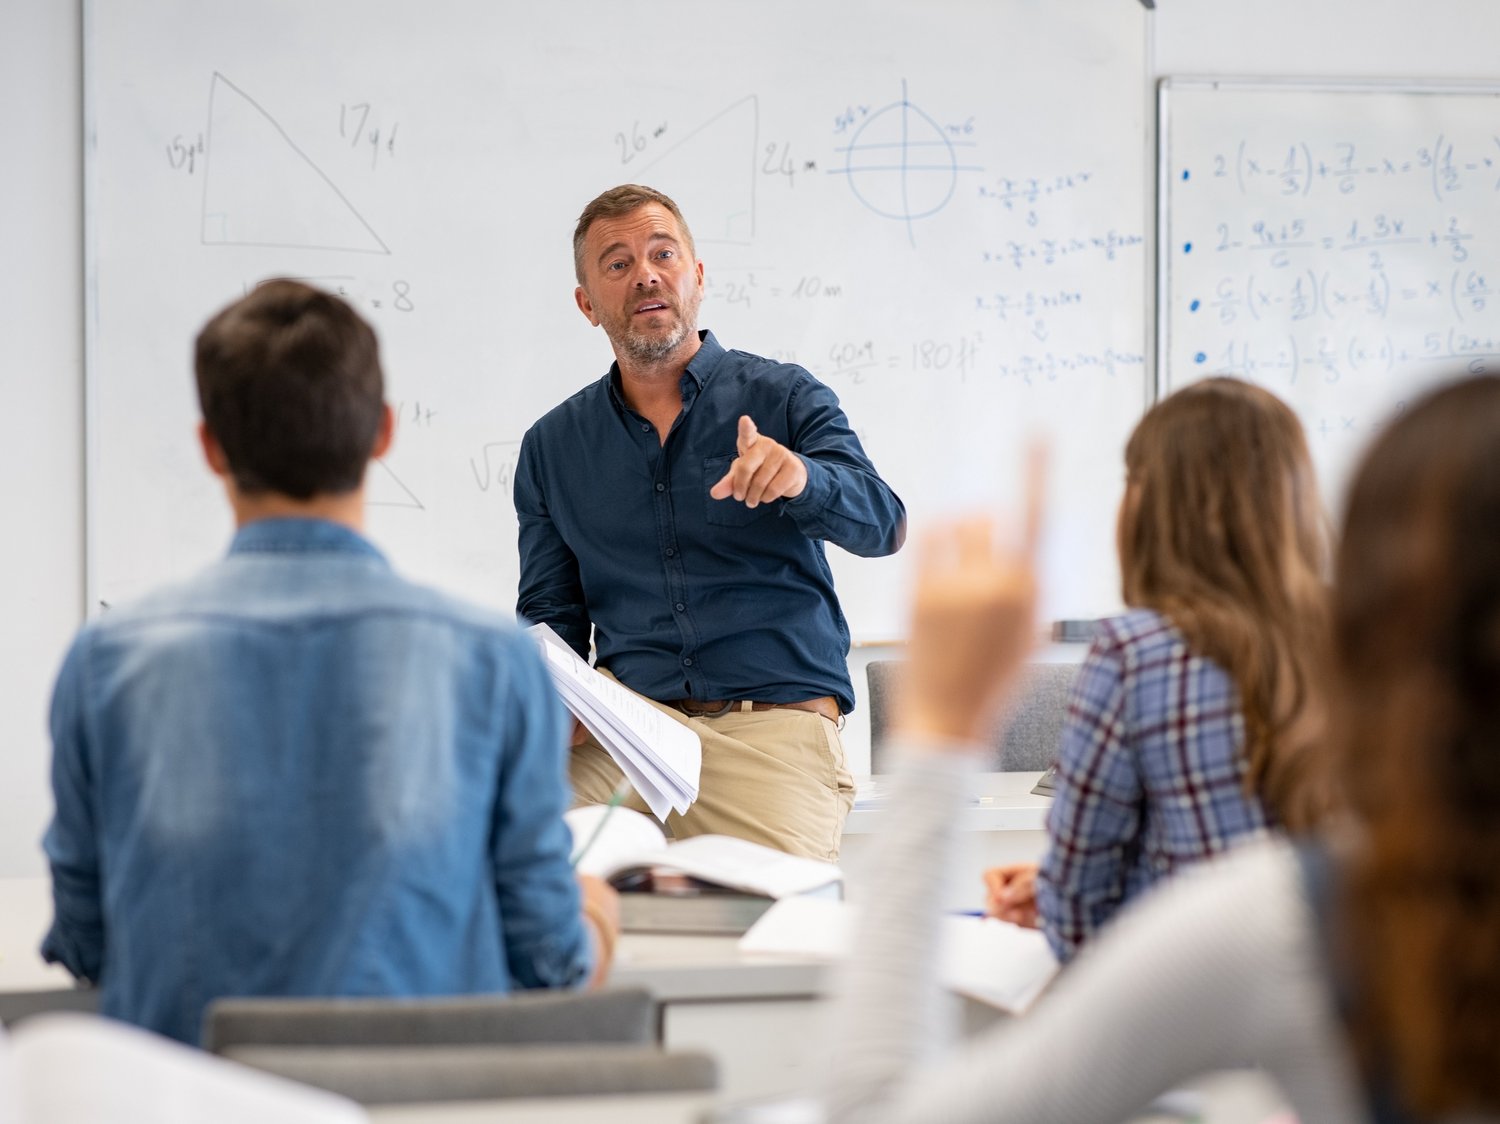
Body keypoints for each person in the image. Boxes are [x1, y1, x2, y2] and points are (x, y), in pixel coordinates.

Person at [825, 376, 1500, 1122]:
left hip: (1191, 1062)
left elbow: (1082, 919)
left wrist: (941, 731)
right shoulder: (1330, 668)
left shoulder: (1284, 916)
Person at [41, 280, 619, 1046]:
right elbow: (548, 963)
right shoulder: (497, 663)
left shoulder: (105, 662)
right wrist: (597, 918)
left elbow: (87, 946)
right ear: (383, 433)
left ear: (212, 447)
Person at [515, 184, 905, 861]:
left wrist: (803, 480)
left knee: (773, 938)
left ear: (696, 276)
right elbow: (550, 614)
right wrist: (551, 697)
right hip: (628, 728)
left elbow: (883, 523)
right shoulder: (552, 447)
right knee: (506, 857)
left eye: (663, 253)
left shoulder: (784, 397)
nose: (645, 274)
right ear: (587, 304)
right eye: (617, 263)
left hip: (772, 730)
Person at [984, 377, 1330, 961]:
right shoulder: (1369, 642)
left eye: (1130, 479)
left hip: (1199, 1013)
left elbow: (1080, 915)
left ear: (1154, 503)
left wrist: (1059, 891)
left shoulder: (1136, 652)